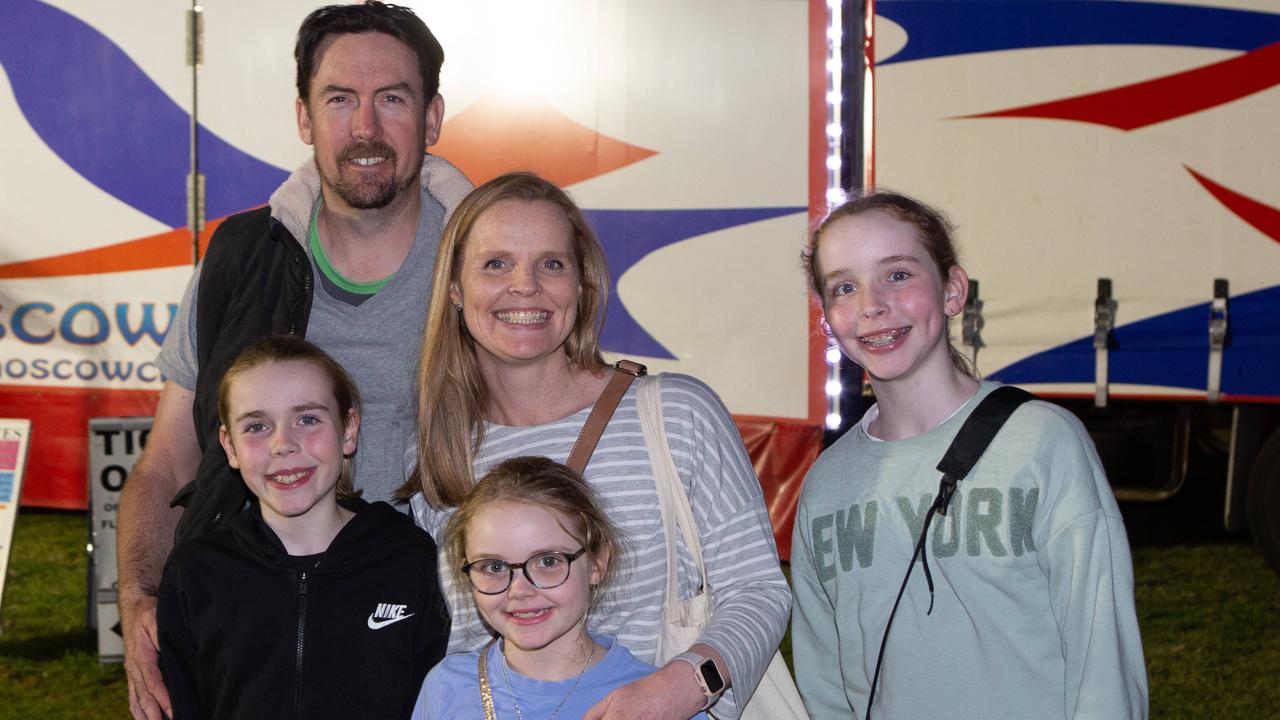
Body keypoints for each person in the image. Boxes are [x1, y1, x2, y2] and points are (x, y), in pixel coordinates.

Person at [117, 3, 471, 718]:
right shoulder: (241, 257)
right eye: (339, 99)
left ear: (432, 118)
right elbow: (165, 464)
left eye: (392, 99)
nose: (365, 129)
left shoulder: (487, 266)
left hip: (442, 629)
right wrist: (138, 599)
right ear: (305, 118)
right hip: (251, 635)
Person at [402, 171, 790, 720]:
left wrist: (679, 688)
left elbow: (757, 589)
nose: (525, 285)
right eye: (496, 264)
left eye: (551, 264)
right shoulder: (436, 451)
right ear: (455, 289)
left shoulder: (674, 414)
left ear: (581, 286)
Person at [790, 190, 1149, 719]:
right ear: (827, 318)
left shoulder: (1042, 445)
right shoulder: (826, 485)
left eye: (898, 275)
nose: (871, 305)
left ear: (953, 290)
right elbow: (825, 685)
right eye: (845, 287)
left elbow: (1103, 661)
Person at [157, 336, 449, 720]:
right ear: (229, 447)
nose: (283, 444)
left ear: (348, 430)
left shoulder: (410, 558)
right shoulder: (196, 573)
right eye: (257, 426)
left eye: (308, 419)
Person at [411, 456, 709, 720]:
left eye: (548, 561)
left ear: (597, 562)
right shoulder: (446, 687)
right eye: (494, 567)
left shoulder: (654, 704)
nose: (519, 590)